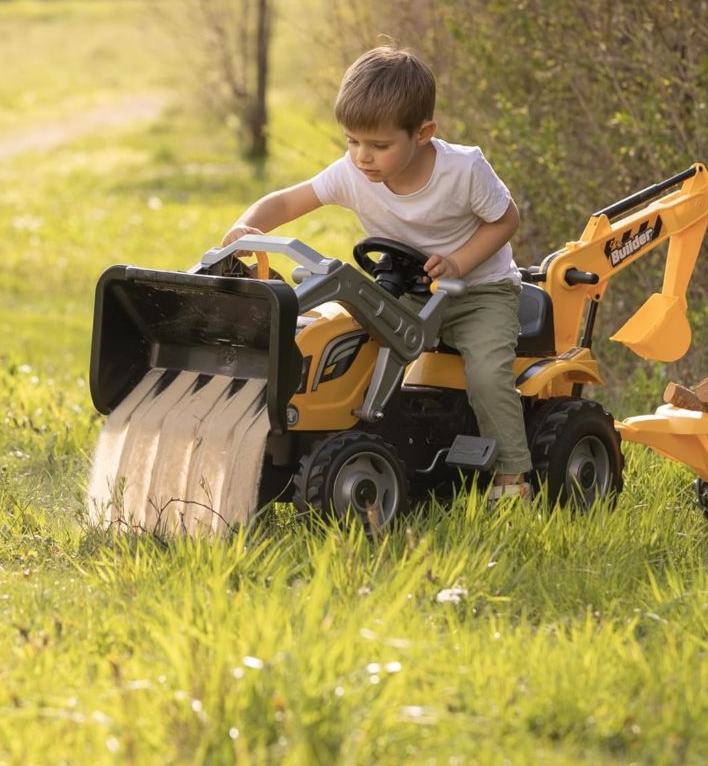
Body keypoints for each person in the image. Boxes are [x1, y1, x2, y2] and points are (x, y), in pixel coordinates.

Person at [220, 45, 533, 502]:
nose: (362, 157)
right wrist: (247, 225)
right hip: (408, 291)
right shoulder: (352, 173)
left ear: (423, 133)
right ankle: (365, 444)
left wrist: (459, 262)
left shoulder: (463, 170)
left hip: (479, 293)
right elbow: (288, 201)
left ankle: (511, 476)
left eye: (379, 146)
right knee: (348, 347)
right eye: (352, 141)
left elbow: (507, 219)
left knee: (486, 374)